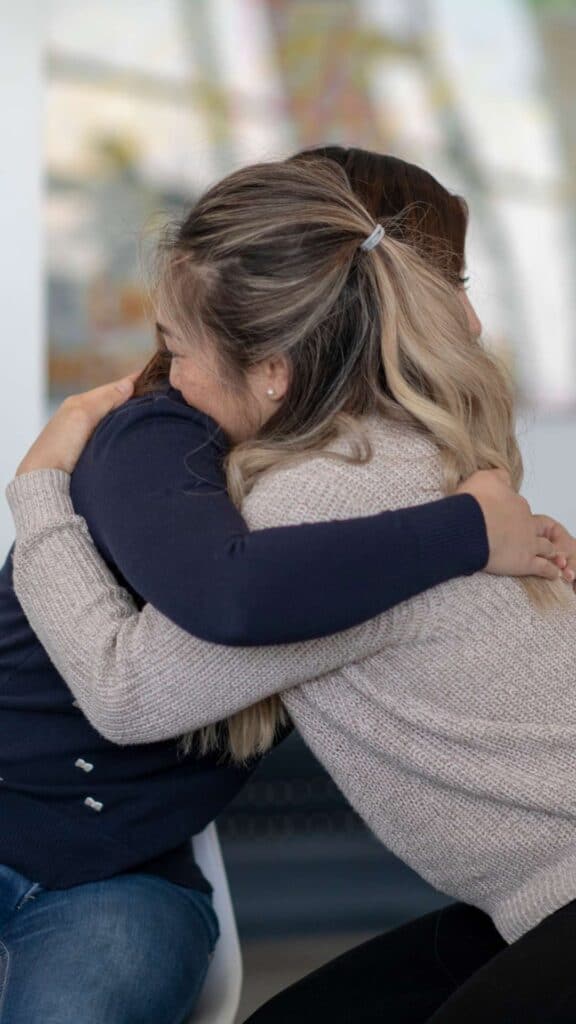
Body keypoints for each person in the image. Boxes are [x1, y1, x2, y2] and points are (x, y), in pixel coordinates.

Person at [6, 149, 576, 1024]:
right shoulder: (420, 454)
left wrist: (37, 489)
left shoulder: (322, 497)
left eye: (177, 347)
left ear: (271, 367)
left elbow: (130, 690)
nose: (163, 380)